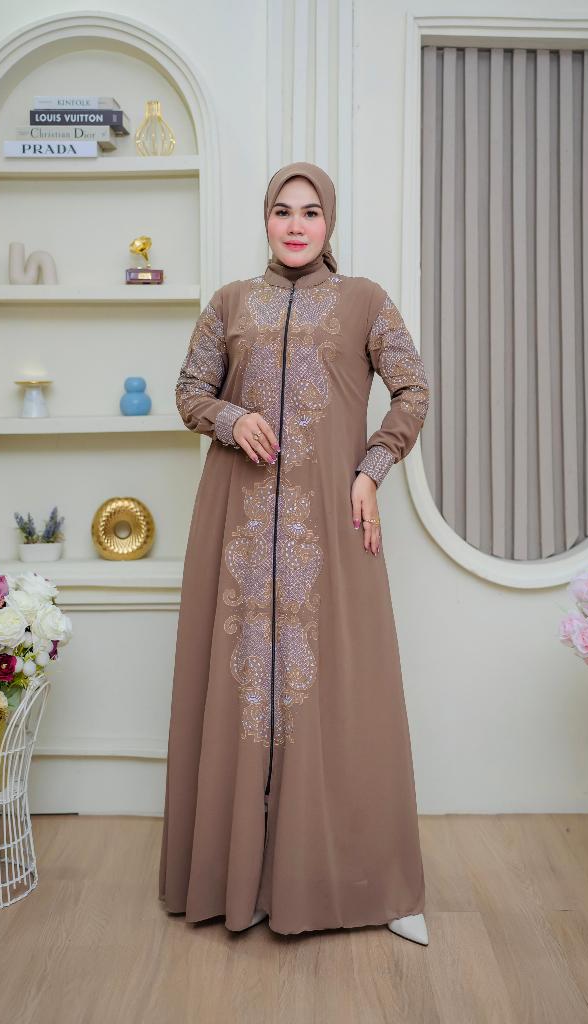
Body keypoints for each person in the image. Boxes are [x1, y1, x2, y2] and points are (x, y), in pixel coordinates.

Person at [158, 161, 430, 944]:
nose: (296, 224)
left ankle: (370, 886)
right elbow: (189, 391)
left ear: (329, 221)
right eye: (283, 210)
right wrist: (230, 418)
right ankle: (238, 883)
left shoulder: (365, 302)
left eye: (311, 211)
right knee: (244, 697)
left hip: (328, 531)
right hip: (239, 530)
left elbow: (412, 390)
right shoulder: (229, 304)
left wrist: (372, 469)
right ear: (267, 220)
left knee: (342, 696)